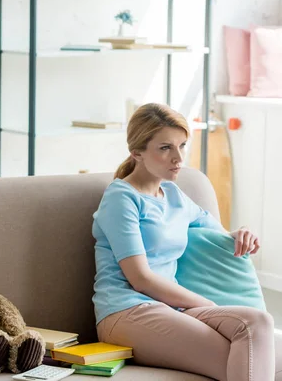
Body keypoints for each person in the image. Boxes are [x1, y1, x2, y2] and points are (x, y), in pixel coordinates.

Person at [92, 103, 275, 381]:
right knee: (248, 344)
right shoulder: (121, 198)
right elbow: (140, 279)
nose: (178, 157)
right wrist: (208, 306)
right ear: (137, 152)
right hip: (125, 312)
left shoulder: (174, 195)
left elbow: (217, 233)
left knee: (264, 336)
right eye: (165, 148)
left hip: (172, 309)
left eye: (182, 145)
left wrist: (241, 233)